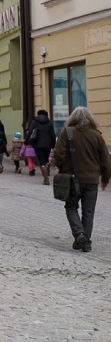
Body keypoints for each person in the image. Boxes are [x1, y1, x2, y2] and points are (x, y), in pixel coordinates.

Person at [53, 107, 111, 253]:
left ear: (73, 118)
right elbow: (105, 160)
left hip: (72, 179)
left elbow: (58, 155)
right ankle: (86, 243)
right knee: (88, 212)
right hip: (92, 180)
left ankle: (79, 234)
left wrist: (61, 167)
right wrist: (105, 178)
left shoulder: (67, 132)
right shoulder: (97, 135)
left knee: (71, 207)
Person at [25, 109, 57, 185]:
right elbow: (53, 135)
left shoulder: (34, 122)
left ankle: (46, 179)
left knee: (41, 161)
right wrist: (53, 144)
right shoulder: (49, 123)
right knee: (46, 159)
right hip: (48, 144)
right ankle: (47, 168)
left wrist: (26, 142)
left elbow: (29, 133)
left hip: (37, 144)